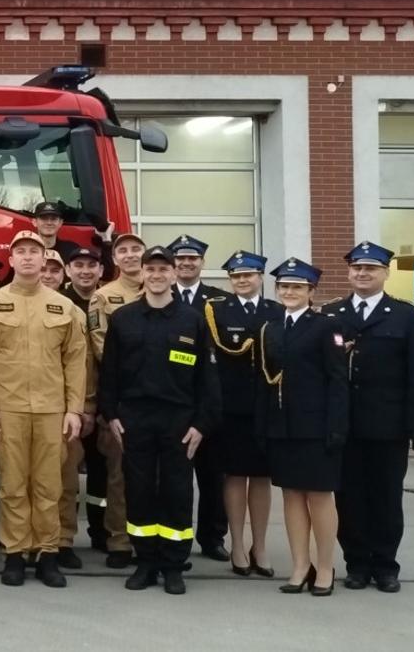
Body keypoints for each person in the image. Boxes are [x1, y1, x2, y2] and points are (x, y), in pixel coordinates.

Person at [98, 246, 219, 595]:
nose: (156, 275)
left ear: (173, 274)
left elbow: (207, 378)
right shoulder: (124, 319)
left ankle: (174, 565)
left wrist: (201, 424)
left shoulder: (192, 320)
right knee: (138, 491)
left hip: (179, 421)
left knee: (176, 491)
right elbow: (109, 373)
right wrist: (112, 415)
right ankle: (146, 561)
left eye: (163, 269)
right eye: (150, 269)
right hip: (135, 419)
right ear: (142, 274)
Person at [0, 231, 87, 588]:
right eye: (20, 252)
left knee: (49, 485)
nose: (27, 257)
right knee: (12, 484)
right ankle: (15, 553)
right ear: (11, 260)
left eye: (33, 252)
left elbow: (76, 362)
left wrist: (74, 409)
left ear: (44, 259)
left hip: (53, 410)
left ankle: (47, 554)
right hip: (8, 410)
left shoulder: (64, 307)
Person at [326, 241, 414, 594]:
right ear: (349, 272)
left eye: (370, 268)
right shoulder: (331, 314)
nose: (363, 273)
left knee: (386, 498)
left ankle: (386, 565)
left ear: (385, 273)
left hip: (388, 426)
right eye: (357, 268)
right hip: (344, 426)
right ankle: (357, 563)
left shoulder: (407, 316)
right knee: (348, 499)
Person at [258, 258, 348, 597]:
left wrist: (337, 426)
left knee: (320, 497)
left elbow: (337, 380)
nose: (289, 292)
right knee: (292, 496)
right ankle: (300, 566)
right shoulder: (271, 328)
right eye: (284, 286)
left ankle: (324, 567)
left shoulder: (326, 327)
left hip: (316, 427)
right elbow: (265, 382)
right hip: (282, 427)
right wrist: (263, 425)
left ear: (311, 291)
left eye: (297, 287)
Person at [205, 250, 282, 578]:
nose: (242, 280)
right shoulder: (217, 310)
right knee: (234, 476)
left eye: (248, 275)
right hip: (231, 408)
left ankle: (259, 546)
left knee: (262, 478)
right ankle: (236, 544)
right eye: (236, 276)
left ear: (260, 277)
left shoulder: (276, 311)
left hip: (266, 406)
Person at [168, 234, 232, 561]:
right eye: (180, 259)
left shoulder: (220, 301)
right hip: (173, 401)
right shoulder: (159, 297)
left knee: (212, 477)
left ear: (202, 263)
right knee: (172, 480)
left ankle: (212, 537)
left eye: (192, 258)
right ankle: (173, 539)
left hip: (208, 400)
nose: (186, 263)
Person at [88, 232, 148, 569]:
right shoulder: (103, 297)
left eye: (136, 249)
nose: (130, 255)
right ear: (114, 259)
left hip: (158, 400)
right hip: (122, 398)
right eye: (122, 250)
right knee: (119, 475)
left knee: (154, 476)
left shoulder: (162, 292)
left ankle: (149, 540)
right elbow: (101, 347)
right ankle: (120, 541)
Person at [59, 245, 107, 562]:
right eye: (78, 265)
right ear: (68, 270)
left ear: (101, 271)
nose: (85, 271)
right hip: (69, 407)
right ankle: (64, 541)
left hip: (104, 404)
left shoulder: (109, 302)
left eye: (92, 265)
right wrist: (76, 408)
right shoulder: (59, 304)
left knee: (104, 475)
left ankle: (102, 534)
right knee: (66, 477)